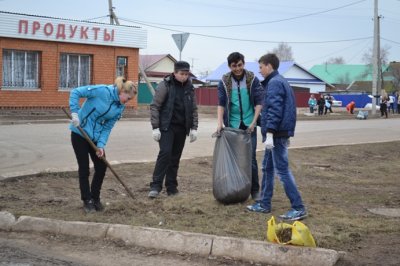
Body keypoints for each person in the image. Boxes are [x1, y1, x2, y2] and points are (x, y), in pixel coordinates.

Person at [247, 53, 307, 221]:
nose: (259, 70)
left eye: (261, 67)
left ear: (269, 66)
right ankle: (264, 203)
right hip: (275, 133)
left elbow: (274, 109)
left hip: (276, 134)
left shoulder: (274, 83)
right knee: (267, 167)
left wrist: (271, 133)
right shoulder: (279, 81)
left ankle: (298, 207)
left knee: (282, 170)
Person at [69, 77, 137, 213]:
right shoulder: (102, 91)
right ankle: (87, 200)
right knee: (84, 168)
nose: (127, 102)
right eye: (127, 98)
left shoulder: (119, 107)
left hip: (95, 138)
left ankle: (95, 198)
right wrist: (75, 113)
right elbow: (75, 92)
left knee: (101, 167)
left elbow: (107, 127)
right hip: (80, 133)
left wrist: (100, 145)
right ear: (122, 91)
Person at [217, 52, 264, 200]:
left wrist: (253, 122)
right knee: (235, 158)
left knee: (250, 158)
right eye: (234, 66)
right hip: (233, 124)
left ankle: (255, 190)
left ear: (243, 63)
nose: (237, 68)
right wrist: (220, 123)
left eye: (240, 65)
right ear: (229, 66)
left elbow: (259, 102)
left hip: (249, 124)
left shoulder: (252, 79)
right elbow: (221, 103)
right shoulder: (224, 81)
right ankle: (236, 187)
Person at [148, 61, 199, 198]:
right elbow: (155, 106)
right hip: (166, 126)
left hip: (181, 128)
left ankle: (171, 188)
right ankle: (155, 186)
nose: (184, 76)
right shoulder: (165, 85)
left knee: (175, 158)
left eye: (186, 74)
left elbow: (193, 109)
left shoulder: (189, 87)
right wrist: (155, 127)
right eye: (181, 74)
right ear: (175, 73)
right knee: (165, 153)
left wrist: (194, 128)